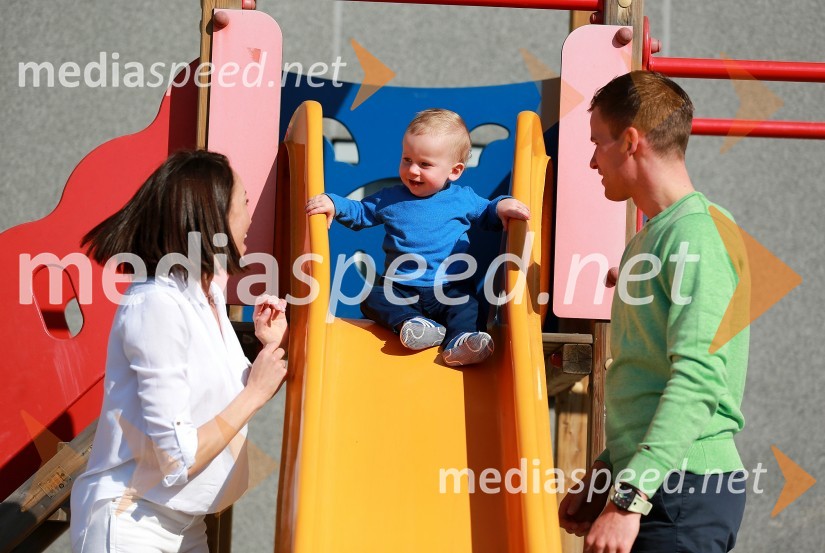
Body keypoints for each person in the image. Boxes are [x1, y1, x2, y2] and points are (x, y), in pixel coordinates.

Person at [558, 71, 750, 553]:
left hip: (681, 490)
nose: (590, 159)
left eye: (597, 142)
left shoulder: (697, 235)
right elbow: (651, 376)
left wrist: (627, 500)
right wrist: (607, 469)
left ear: (630, 141)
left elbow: (700, 378)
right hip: (656, 485)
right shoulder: (653, 237)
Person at [70, 150, 289, 553]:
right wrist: (255, 393)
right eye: (243, 201)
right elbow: (177, 458)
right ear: (213, 216)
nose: (250, 212)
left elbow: (228, 403)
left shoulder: (206, 293)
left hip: (185, 524)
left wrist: (267, 349)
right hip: (131, 521)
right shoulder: (156, 305)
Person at [305, 108, 530, 366]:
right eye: (407, 159)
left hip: (450, 287)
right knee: (372, 299)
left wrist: (503, 205)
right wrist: (334, 203)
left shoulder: (462, 199)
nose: (413, 171)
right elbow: (360, 212)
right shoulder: (389, 199)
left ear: (454, 171)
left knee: (468, 306)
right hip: (401, 288)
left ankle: (461, 342)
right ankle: (413, 326)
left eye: (425, 164)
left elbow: (488, 212)